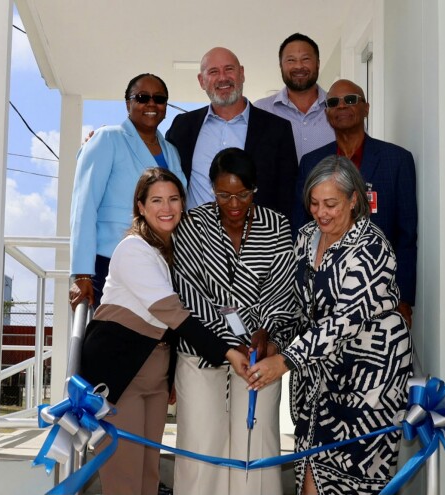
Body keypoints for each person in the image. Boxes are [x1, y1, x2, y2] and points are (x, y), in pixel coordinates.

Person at [79, 168, 251, 495]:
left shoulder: (167, 251)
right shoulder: (134, 249)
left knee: (148, 477)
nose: (166, 207)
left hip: (155, 382)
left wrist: (169, 377)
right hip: (120, 379)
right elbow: (173, 315)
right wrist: (229, 353)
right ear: (140, 207)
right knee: (124, 480)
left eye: (173, 199)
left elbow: (167, 331)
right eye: (156, 200)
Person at [251, 156, 414, 495]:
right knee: (310, 471)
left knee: (352, 483)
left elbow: (345, 321)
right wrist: (276, 343)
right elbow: (299, 305)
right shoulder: (308, 236)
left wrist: (284, 362)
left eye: (331, 204)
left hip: (369, 383)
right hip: (318, 378)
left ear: (354, 200)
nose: (320, 213)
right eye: (313, 203)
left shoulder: (371, 247)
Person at [171, 148, 298, 495]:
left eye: (242, 194)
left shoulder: (277, 225)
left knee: (256, 442)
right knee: (200, 444)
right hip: (203, 349)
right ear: (212, 190)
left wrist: (265, 331)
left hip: (260, 352)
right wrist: (227, 341)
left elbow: (283, 286)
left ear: (255, 188)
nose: (233, 203)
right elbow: (187, 287)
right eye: (224, 194)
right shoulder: (193, 225)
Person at [292, 79, 418, 327]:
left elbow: (407, 235)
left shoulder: (397, 160)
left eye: (350, 100)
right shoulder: (311, 162)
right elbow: (302, 228)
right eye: (333, 102)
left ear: (366, 108)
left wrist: (404, 297)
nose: (341, 106)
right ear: (327, 113)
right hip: (325, 296)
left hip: (382, 295)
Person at [69, 73, 186, 311]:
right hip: (110, 262)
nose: (151, 104)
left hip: (160, 266)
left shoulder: (172, 151)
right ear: (127, 104)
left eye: (159, 98)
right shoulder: (107, 138)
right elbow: (84, 204)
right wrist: (82, 273)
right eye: (142, 97)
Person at [166, 47, 298, 222]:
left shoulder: (277, 129)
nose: (222, 77)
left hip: (257, 243)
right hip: (194, 243)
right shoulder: (182, 126)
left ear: (242, 73)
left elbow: (288, 195)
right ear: (201, 81)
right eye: (213, 71)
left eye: (229, 69)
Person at [254, 33, 335, 162]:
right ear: (281, 65)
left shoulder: (339, 108)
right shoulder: (261, 110)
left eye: (306, 59)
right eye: (291, 60)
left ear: (318, 63)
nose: (298, 66)